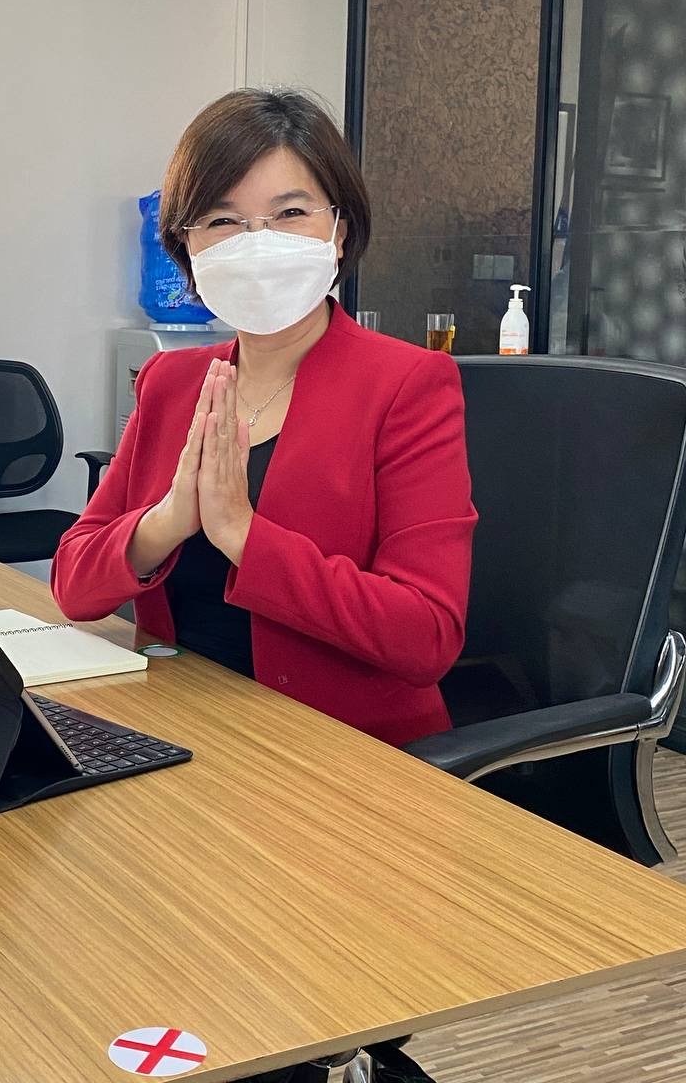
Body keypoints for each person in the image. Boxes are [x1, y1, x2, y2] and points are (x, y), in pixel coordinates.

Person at [52, 88, 477, 755]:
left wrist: (242, 535)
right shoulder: (171, 381)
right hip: (180, 729)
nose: (257, 243)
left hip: (340, 754)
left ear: (339, 230)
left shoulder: (408, 385)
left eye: (290, 213)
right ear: (187, 246)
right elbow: (74, 585)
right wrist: (167, 521)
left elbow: (426, 636)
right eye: (222, 220)